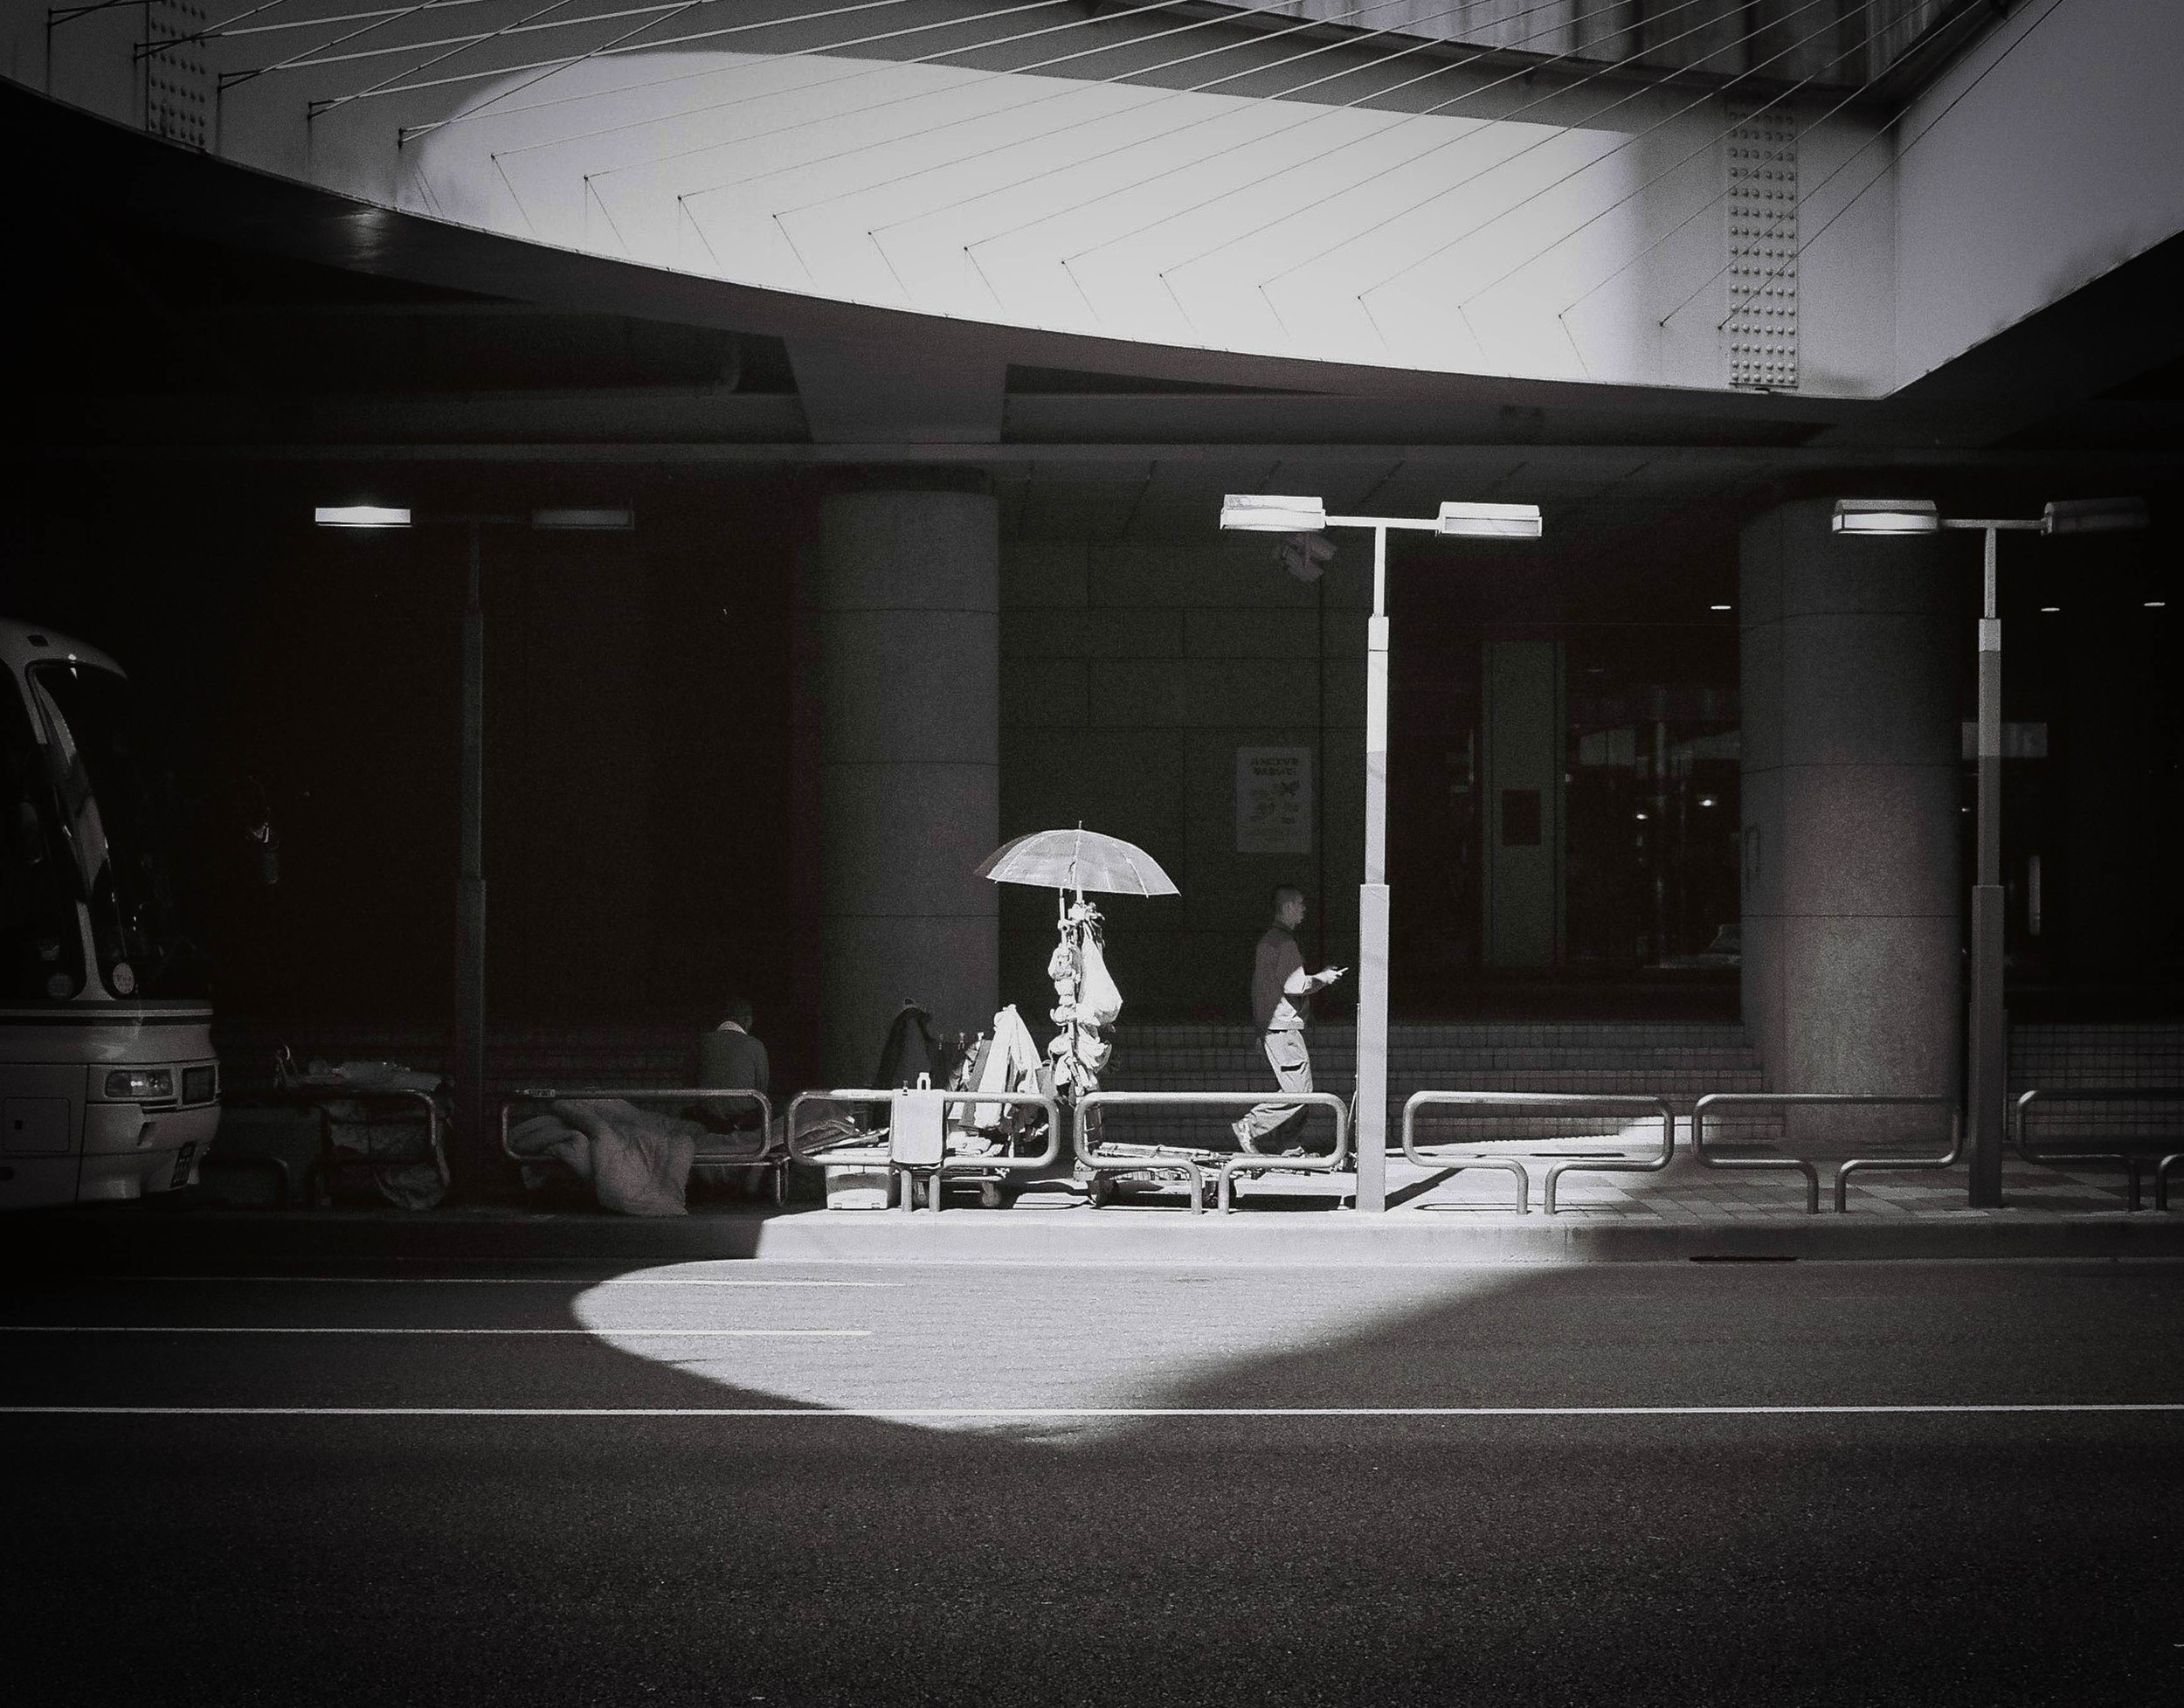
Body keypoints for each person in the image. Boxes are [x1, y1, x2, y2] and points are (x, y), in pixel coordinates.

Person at [1233, 886, 1345, 1153]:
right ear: (1287, 908)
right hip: (1283, 1028)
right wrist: (1324, 978)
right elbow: (1296, 985)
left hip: (1272, 1026)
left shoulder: (1267, 942)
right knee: (1300, 1091)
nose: (1304, 910)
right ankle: (1251, 1124)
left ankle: (1288, 1142)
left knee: (1294, 1089)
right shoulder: (1285, 943)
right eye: (1300, 905)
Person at [693, 996, 769, 1128]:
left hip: (706, 1119)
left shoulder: (701, 1042)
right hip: (743, 1122)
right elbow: (762, 1090)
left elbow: (689, 1081)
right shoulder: (755, 1045)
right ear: (747, 1020)